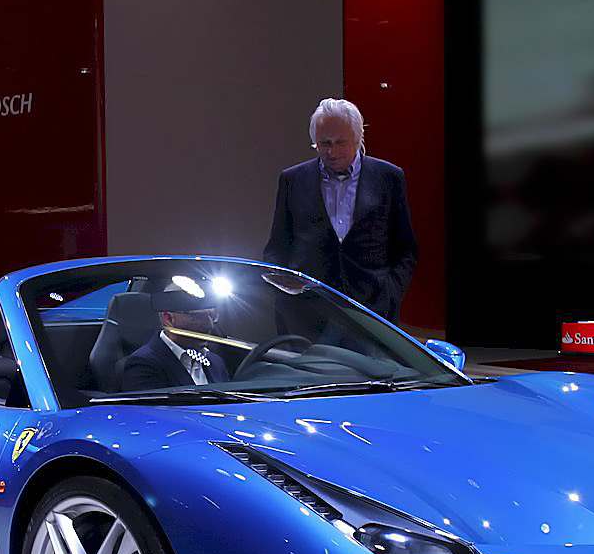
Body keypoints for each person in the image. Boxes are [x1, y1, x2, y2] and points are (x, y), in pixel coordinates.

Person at [262, 98, 419, 320]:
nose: (332, 152)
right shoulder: (293, 180)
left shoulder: (389, 177)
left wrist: (390, 295)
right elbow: (277, 247)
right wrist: (285, 297)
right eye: (324, 143)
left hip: (372, 312)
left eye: (340, 142)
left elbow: (406, 249)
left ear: (358, 138)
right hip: (307, 313)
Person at [119, 291, 231, 391]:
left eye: (211, 315)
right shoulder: (143, 365)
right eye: (197, 317)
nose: (209, 325)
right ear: (168, 319)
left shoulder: (216, 362)